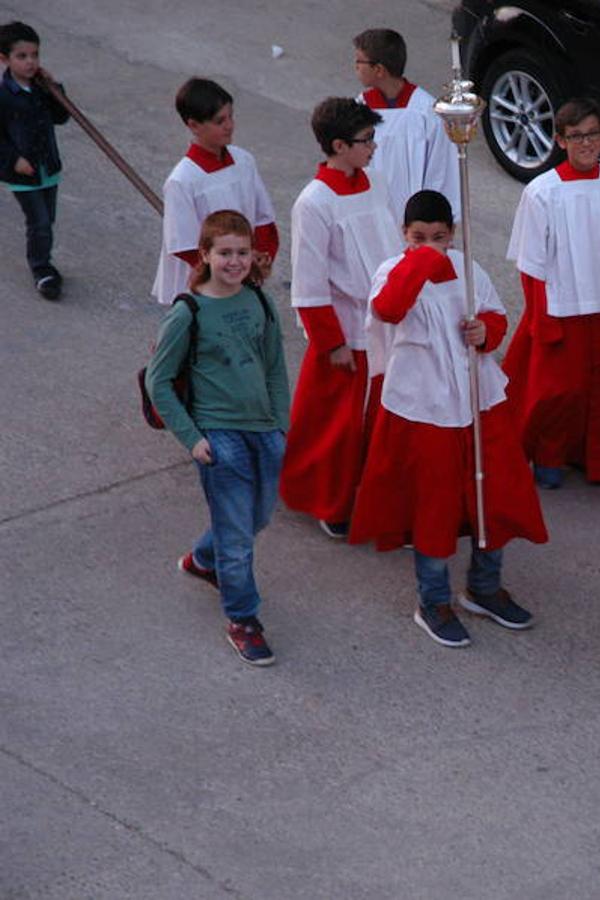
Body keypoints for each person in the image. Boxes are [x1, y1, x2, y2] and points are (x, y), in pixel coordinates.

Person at [349, 190, 547, 646]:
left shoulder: (469, 268)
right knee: (433, 505)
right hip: (424, 406)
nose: (431, 246)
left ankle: (484, 587)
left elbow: (496, 315)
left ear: (453, 234)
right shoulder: (393, 270)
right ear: (404, 235)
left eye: (440, 237)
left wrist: (485, 333)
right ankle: (432, 600)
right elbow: (388, 308)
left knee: (493, 494)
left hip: (477, 399)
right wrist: (424, 261)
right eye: (419, 237)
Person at [145, 210, 290, 666]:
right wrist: (191, 439)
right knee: (238, 537)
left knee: (256, 519)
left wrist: (280, 425)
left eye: (242, 252)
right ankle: (243, 620)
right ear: (205, 256)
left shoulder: (259, 302)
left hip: (264, 431)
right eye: (224, 252)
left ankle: (202, 560)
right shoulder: (188, 312)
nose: (234, 261)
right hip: (219, 436)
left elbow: (275, 368)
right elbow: (159, 382)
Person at [503, 96, 600, 499]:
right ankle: (551, 455)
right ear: (559, 140)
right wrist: (542, 319)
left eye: (592, 134)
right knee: (558, 392)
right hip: (562, 306)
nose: (585, 143)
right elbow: (532, 266)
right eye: (575, 136)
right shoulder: (541, 192)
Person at [279, 97, 401, 538]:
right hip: (347, 334)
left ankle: (371, 494)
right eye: (365, 141)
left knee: (380, 422)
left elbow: (393, 243)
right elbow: (309, 283)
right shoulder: (314, 203)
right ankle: (331, 502)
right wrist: (332, 344)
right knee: (337, 429)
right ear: (337, 145)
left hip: (387, 323)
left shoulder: (376, 182)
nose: (373, 148)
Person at [153, 78, 278, 306]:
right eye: (219, 121)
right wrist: (234, 270)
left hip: (242, 271)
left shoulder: (244, 161)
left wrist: (260, 255)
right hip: (204, 287)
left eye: (230, 116)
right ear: (193, 125)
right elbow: (186, 247)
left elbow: (263, 218)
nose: (229, 125)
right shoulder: (182, 180)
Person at [352, 28, 458, 227]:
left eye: (359, 61)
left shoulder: (426, 112)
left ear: (379, 70)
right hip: (372, 218)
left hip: (417, 224)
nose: (355, 67)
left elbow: (440, 171)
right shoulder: (360, 109)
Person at [0, 21, 69, 301]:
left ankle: (43, 259)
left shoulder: (41, 88)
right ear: (4, 59)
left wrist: (55, 88)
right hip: (23, 175)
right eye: (22, 56)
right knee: (38, 221)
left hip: (47, 168)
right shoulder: (3, 96)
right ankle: (42, 269)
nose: (31, 62)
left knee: (47, 219)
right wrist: (13, 160)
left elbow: (61, 116)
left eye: (35, 55)